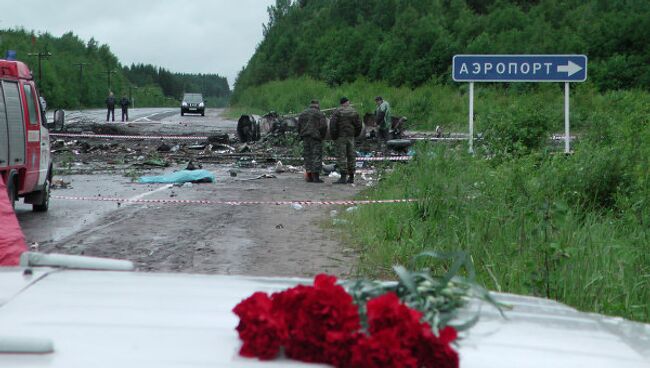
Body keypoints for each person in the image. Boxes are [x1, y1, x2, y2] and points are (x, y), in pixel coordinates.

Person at [330, 97, 361, 184]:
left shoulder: (337, 112)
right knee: (351, 156)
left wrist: (334, 136)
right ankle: (351, 177)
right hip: (351, 137)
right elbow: (359, 125)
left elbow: (332, 125)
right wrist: (355, 134)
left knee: (341, 156)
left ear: (341, 103)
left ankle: (343, 177)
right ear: (348, 102)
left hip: (341, 137)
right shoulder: (354, 111)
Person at [298, 99, 328, 183]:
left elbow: (298, 126)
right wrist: (321, 136)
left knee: (307, 156)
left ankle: (309, 176)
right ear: (317, 105)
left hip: (305, 137)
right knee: (316, 156)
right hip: (315, 138)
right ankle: (316, 177)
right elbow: (324, 126)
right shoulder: (319, 114)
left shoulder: (303, 113)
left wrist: (301, 134)